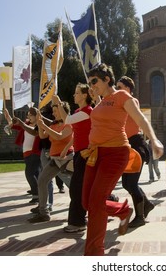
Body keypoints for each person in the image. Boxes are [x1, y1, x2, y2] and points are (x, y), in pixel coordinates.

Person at [82, 63, 163, 256]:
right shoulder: (100, 102)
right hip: (95, 154)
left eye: (95, 81)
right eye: (90, 82)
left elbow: (141, 119)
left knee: (96, 202)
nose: (92, 86)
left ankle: (94, 254)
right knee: (86, 202)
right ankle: (122, 210)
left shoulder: (121, 96)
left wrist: (154, 139)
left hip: (116, 153)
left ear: (107, 79)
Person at [52, 83, 93, 233]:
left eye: (77, 93)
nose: (74, 95)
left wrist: (57, 102)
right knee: (81, 188)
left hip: (85, 154)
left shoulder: (88, 111)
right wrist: (65, 149)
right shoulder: (78, 111)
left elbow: (67, 120)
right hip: (79, 154)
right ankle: (109, 203)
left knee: (77, 189)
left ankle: (78, 223)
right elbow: (75, 134)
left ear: (84, 95)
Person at [117, 76, 155, 228]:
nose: (117, 89)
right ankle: (147, 204)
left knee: (131, 183)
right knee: (127, 183)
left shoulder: (132, 101)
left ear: (128, 88)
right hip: (127, 147)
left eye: (120, 87)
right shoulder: (119, 104)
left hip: (137, 145)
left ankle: (140, 216)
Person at [28, 101, 74, 223]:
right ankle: (43, 213)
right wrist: (39, 124)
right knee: (42, 180)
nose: (53, 114)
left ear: (62, 110)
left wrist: (44, 126)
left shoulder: (69, 124)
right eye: (53, 111)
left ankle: (82, 209)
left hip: (66, 160)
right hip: (54, 160)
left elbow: (59, 136)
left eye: (55, 111)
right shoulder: (54, 124)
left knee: (75, 186)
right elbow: (43, 137)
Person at [3, 107, 41, 203]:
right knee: (35, 174)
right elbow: (13, 125)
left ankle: (37, 194)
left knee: (29, 173)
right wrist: (8, 116)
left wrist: (22, 124)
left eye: (30, 115)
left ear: (36, 116)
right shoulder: (26, 124)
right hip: (26, 153)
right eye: (28, 115)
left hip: (35, 153)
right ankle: (39, 194)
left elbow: (34, 132)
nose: (28, 117)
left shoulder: (40, 125)